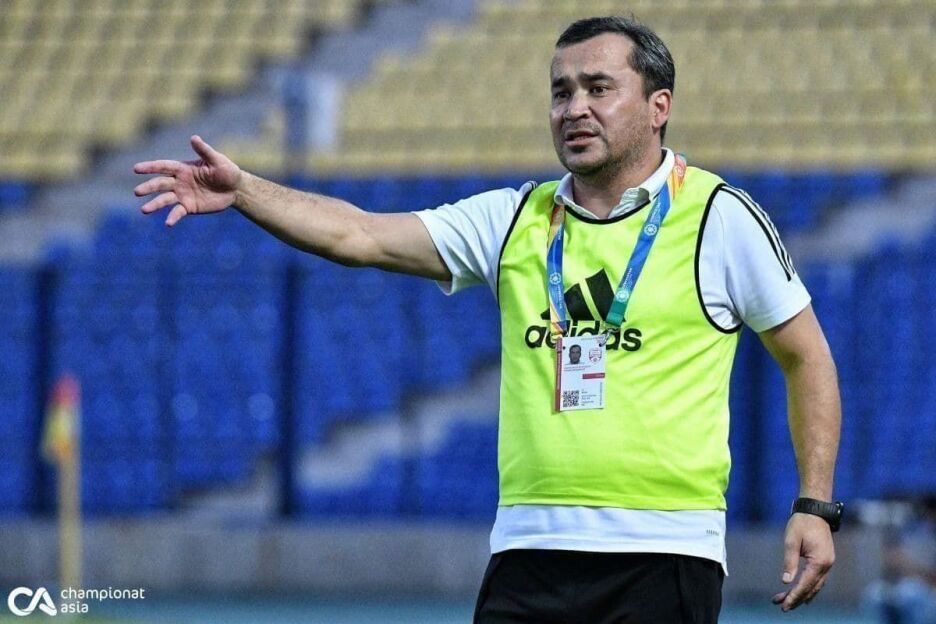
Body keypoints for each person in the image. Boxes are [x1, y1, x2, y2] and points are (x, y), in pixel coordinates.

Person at [134, 15, 842, 623]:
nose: (574, 108)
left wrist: (814, 505)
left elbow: (806, 356)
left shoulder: (720, 217)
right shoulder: (514, 218)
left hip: (665, 554)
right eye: (561, 91)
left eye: (598, 88)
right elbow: (360, 235)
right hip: (527, 551)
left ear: (659, 106)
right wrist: (246, 191)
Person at [864, 496, 936, 624]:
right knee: (876, 594)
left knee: (912, 596)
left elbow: (930, 576)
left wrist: (914, 569)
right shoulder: (917, 532)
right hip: (909, 584)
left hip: (928, 590)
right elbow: (894, 560)